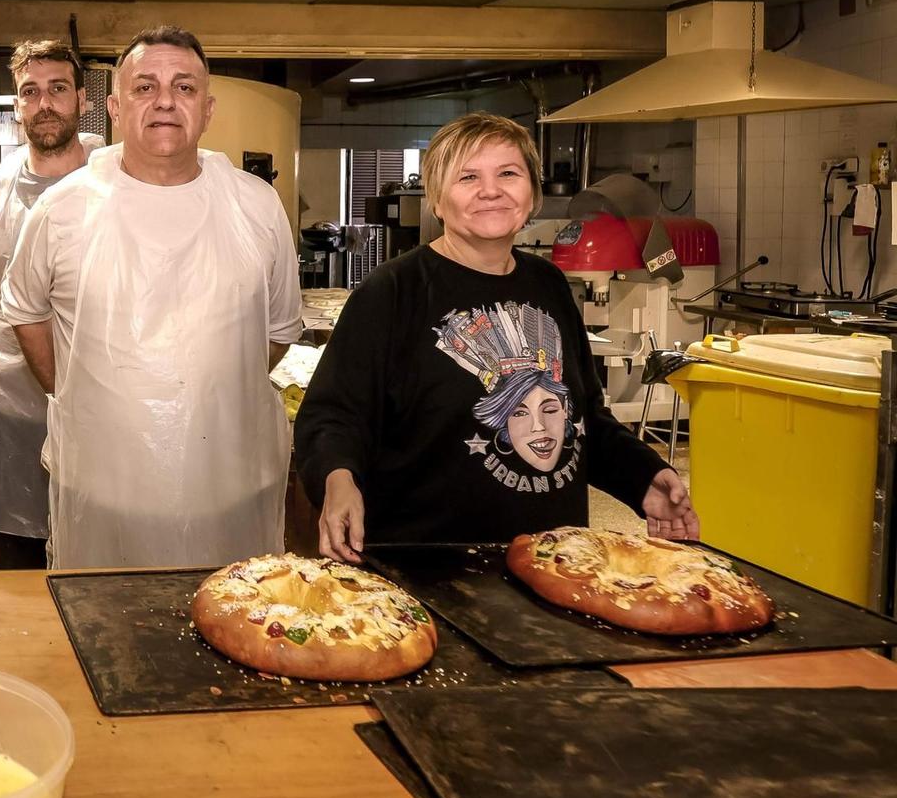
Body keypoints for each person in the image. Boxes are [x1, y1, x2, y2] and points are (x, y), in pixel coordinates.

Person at [293, 112, 699, 561]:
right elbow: (332, 415)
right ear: (437, 200)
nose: (491, 190)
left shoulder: (549, 285)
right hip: (427, 567)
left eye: (508, 173)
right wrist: (338, 479)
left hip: (554, 559)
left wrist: (643, 475)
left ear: (532, 192)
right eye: (468, 177)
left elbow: (583, 419)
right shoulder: (393, 291)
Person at [0, 25, 301, 569]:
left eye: (184, 88)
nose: (165, 101)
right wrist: (71, 390)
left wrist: (210, 387)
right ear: (115, 107)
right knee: (107, 634)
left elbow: (277, 330)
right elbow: (24, 311)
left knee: (235, 621)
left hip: (228, 487)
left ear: (207, 109)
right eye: (145, 87)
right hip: (105, 489)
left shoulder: (256, 206)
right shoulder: (62, 209)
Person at [0, 38, 100, 570]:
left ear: (82, 98)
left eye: (58, 89)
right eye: (30, 93)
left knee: (99, 566)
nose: (44, 104)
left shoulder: (116, 182)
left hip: (104, 407)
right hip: (11, 410)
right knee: (17, 569)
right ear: (17, 107)